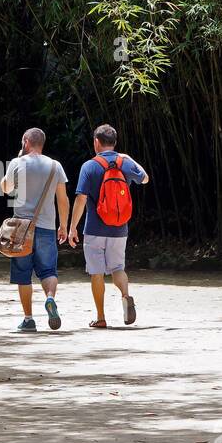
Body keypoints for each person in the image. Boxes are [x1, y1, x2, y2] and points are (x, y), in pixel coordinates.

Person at [66, 123, 149, 328]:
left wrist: (72, 227)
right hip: (120, 229)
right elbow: (145, 178)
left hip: (94, 229)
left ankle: (101, 317)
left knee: (97, 273)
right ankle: (126, 295)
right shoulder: (125, 163)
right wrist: (129, 159)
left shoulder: (90, 166)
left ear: (96, 142)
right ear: (115, 142)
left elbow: (81, 199)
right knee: (118, 268)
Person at [0, 128, 70, 332]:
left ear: (26, 142)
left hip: (21, 229)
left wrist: (17, 159)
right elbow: (63, 200)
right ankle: (49, 298)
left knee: (23, 274)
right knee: (48, 270)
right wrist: (64, 225)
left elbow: (5, 188)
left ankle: (28, 319)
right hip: (47, 226)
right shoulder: (55, 166)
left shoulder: (17, 162)